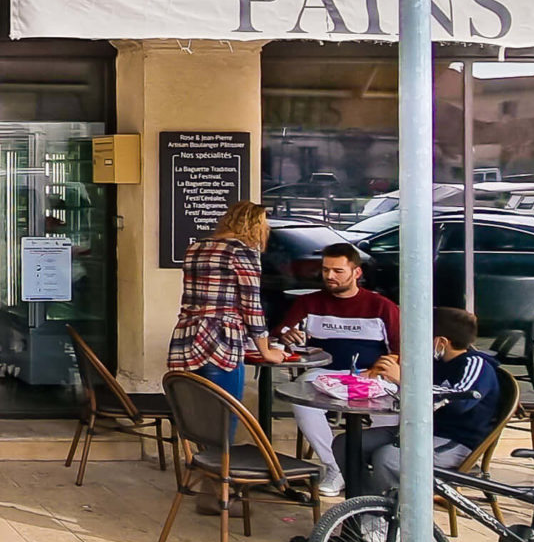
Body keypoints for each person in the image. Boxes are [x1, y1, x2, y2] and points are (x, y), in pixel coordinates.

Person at [277, 243, 402, 496]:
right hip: (325, 372)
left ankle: (381, 474)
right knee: (301, 402)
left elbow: (402, 349)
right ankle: (335, 467)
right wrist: (287, 336)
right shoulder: (308, 303)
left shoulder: (382, 307)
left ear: (356, 272)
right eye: (325, 270)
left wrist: (385, 367)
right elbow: (278, 337)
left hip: (371, 374)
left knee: (392, 409)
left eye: (338, 271)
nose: (330, 276)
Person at [344, 305, 501, 494]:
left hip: (456, 441)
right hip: (418, 431)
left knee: (388, 458)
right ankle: (365, 507)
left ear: (441, 341)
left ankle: (384, 518)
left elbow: (459, 401)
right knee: (347, 444)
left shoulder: (476, 364)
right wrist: (376, 377)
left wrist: (405, 381)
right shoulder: (432, 362)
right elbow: (409, 390)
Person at [167, 201, 287, 399]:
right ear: (254, 226)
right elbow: (252, 307)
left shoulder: (195, 248)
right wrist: (266, 351)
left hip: (186, 339)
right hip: (221, 343)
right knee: (222, 420)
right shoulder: (242, 252)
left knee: (193, 419)